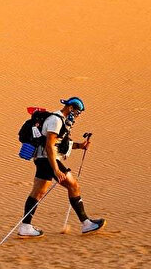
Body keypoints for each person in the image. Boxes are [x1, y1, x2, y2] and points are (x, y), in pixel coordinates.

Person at [17, 96, 106, 237]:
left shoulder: (61, 121)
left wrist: (79, 146)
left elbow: (59, 144)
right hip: (48, 160)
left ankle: (25, 227)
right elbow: (49, 145)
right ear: (70, 108)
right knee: (73, 186)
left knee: (38, 192)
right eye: (77, 112)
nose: (77, 115)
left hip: (43, 159)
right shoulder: (55, 121)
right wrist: (56, 169)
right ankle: (86, 223)